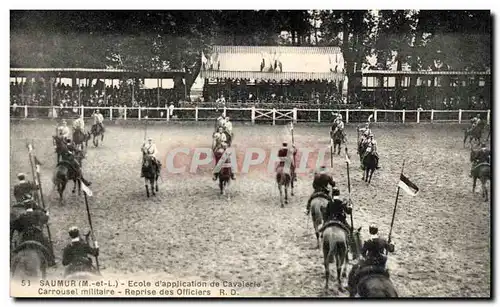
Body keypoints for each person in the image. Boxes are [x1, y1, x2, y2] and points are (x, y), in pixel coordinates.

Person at [10, 198, 56, 266]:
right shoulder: (39, 213)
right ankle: (51, 261)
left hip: (25, 237)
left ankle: (12, 263)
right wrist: (47, 213)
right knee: (48, 245)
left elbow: (15, 226)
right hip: (38, 236)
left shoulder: (22, 217)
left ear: (25, 207)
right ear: (32, 206)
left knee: (16, 250)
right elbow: (45, 219)